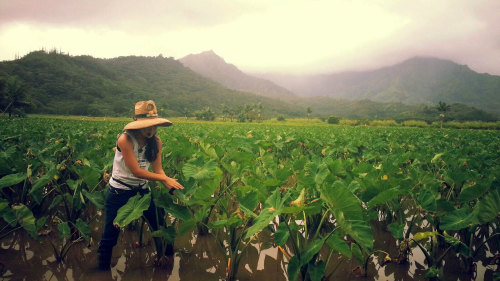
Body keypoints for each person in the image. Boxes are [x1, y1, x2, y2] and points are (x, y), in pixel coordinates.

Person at [97, 100, 184, 270]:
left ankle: (167, 263)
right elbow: (136, 171)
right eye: (147, 126)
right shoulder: (125, 140)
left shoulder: (156, 142)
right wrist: (164, 180)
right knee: (110, 235)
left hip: (142, 191)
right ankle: (102, 271)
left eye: (153, 126)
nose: (150, 130)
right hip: (119, 192)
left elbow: (158, 170)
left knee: (160, 226)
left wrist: (173, 188)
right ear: (137, 124)